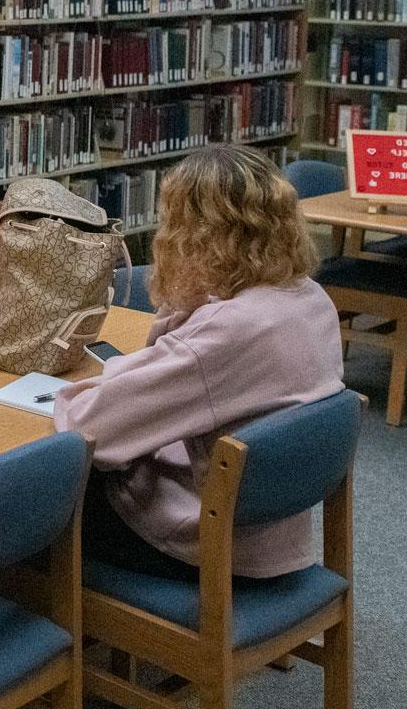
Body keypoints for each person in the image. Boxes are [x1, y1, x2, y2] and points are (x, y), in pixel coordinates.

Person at [53, 144, 344, 578]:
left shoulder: (227, 330)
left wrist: (92, 385)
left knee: (41, 500)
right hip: (275, 535)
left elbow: (90, 429)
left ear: (192, 234)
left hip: (209, 546)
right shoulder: (310, 298)